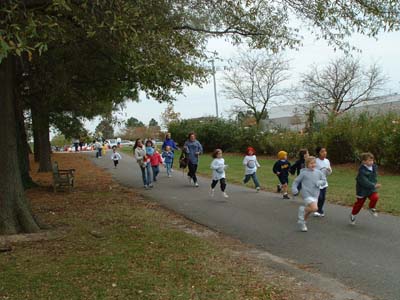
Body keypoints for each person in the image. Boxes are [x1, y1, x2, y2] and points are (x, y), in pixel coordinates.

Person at [292, 156, 327, 232]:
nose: (313, 165)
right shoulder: (303, 173)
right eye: (311, 163)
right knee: (315, 208)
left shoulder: (318, 172)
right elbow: (296, 181)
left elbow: (324, 180)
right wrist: (294, 189)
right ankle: (302, 209)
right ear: (307, 164)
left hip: (315, 194)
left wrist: (320, 182)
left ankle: (302, 222)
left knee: (309, 211)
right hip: (306, 193)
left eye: (314, 163)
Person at [349, 152, 381, 225]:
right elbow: (364, 182)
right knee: (359, 204)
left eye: (372, 160)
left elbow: (374, 177)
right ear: (364, 162)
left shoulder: (374, 167)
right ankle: (353, 215)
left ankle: (371, 208)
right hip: (362, 190)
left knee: (375, 197)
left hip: (371, 189)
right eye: (369, 160)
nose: (371, 162)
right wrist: (374, 185)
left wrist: (374, 183)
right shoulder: (361, 171)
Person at [314, 146, 332, 217]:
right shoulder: (315, 161)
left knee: (323, 198)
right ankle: (318, 209)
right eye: (322, 151)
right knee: (320, 197)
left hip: (324, 182)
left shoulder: (327, 161)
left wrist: (329, 170)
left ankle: (320, 210)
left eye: (325, 151)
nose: (324, 153)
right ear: (318, 153)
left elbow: (329, 173)